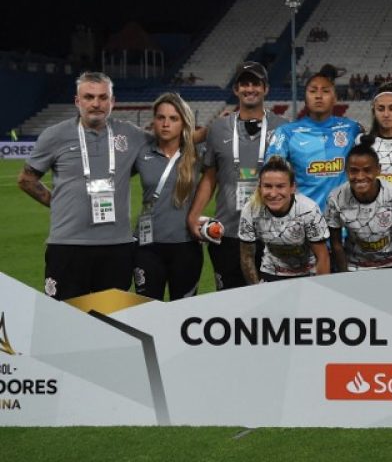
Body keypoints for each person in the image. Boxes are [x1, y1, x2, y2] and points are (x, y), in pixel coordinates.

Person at [19, 72, 149, 300]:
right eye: (89, 97)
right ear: (77, 101)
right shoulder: (55, 135)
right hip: (68, 245)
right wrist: (57, 203)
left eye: (103, 97)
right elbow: (26, 179)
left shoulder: (132, 134)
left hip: (116, 246)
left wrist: (211, 130)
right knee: (63, 319)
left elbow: (171, 139)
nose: (96, 103)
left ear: (112, 101)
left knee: (113, 321)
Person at [187, 61, 286, 290]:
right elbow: (210, 176)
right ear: (236, 89)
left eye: (256, 84)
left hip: (272, 233)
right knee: (229, 304)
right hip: (228, 233)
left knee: (272, 304)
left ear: (266, 89)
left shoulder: (283, 128)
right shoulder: (219, 128)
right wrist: (194, 216)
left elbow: (293, 181)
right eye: (244, 84)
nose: (250, 89)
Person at [132, 93, 202, 300]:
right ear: (153, 120)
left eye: (173, 119)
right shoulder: (141, 151)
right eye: (160, 117)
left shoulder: (199, 152)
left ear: (184, 122)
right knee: (146, 313)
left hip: (186, 245)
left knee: (184, 316)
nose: (165, 124)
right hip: (147, 247)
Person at [265, 64, 362, 210]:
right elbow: (271, 171)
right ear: (305, 97)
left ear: (334, 98)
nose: (318, 95)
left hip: (343, 222)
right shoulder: (287, 133)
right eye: (313, 91)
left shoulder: (351, 129)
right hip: (303, 221)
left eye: (325, 91)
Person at [323, 136, 392, 271]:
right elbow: (336, 242)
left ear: (378, 169)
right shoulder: (335, 198)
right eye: (354, 171)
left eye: (367, 170)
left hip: (391, 264)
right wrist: (344, 275)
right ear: (346, 171)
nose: (360, 177)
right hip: (355, 265)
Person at [237, 156, 330, 282]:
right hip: (272, 272)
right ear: (259, 187)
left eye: (280, 186)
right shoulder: (251, 209)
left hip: (308, 274)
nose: (273, 193)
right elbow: (246, 257)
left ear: (293, 188)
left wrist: (319, 291)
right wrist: (255, 290)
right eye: (267, 186)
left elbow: (322, 257)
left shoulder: (309, 210)